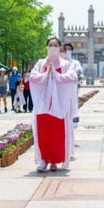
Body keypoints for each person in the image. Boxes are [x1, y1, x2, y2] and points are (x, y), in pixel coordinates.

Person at [30, 37, 78, 172]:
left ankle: (54, 162)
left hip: (59, 104)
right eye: (50, 45)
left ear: (59, 48)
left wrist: (55, 75)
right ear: (46, 47)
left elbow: (72, 78)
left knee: (57, 133)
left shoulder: (66, 65)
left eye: (55, 45)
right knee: (44, 132)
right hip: (43, 104)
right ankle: (44, 160)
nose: (52, 47)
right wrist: (46, 74)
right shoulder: (40, 64)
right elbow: (32, 77)